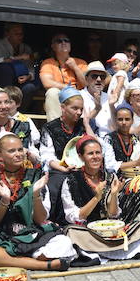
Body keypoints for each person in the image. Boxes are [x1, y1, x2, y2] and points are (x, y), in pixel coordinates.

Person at [0, 133, 74, 270]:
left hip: (32, 235)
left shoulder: (36, 176)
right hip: (1, 236)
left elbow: (41, 219)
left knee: (63, 243)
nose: (18, 154)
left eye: (20, 149)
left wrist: (35, 195)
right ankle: (44, 265)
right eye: (12, 151)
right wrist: (4, 202)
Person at [60, 136, 140, 260]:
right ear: (81, 156)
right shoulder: (71, 180)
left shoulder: (110, 177)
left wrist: (113, 194)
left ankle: (100, 253)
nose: (95, 157)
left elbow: (113, 215)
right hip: (88, 233)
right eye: (90, 153)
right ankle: (111, 252)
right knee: (70, 232)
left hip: (111, 232)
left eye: (98, 153)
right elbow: (75, 217)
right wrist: (96, 197)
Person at [38, 88, 87, 224]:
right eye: (75, 108)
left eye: (81, 109)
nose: (79, 112)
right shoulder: (50, 128)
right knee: (59, 181)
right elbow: (47, 156)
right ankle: (58, 220)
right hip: (59, 169)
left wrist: (87, 124)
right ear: (63, 107)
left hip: (84, 168)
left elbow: (94, 145)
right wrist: (62, 167)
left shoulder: (83, 125)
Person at [39, 33, 88, 121]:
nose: (63, 43)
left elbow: (87, 84)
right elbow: (47, 83)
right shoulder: (48, 62)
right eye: (59, 41)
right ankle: (55, 129)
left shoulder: (81, 62)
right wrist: (68, 88)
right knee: (52, 92)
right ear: (53, 46)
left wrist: (75, 68)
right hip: (60, 98)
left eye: (66, 41)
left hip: (79, 97)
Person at [0, 23, 37, 97]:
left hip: (20, 81)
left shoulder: (26, 48)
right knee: (4, 68)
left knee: (30, 88)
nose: (20, 36)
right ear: (7, 34)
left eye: (21, 34)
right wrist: (16, 58)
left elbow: (31, 68)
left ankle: (18, 108)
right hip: (2, 80)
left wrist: (28, 76)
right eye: (16, 33)